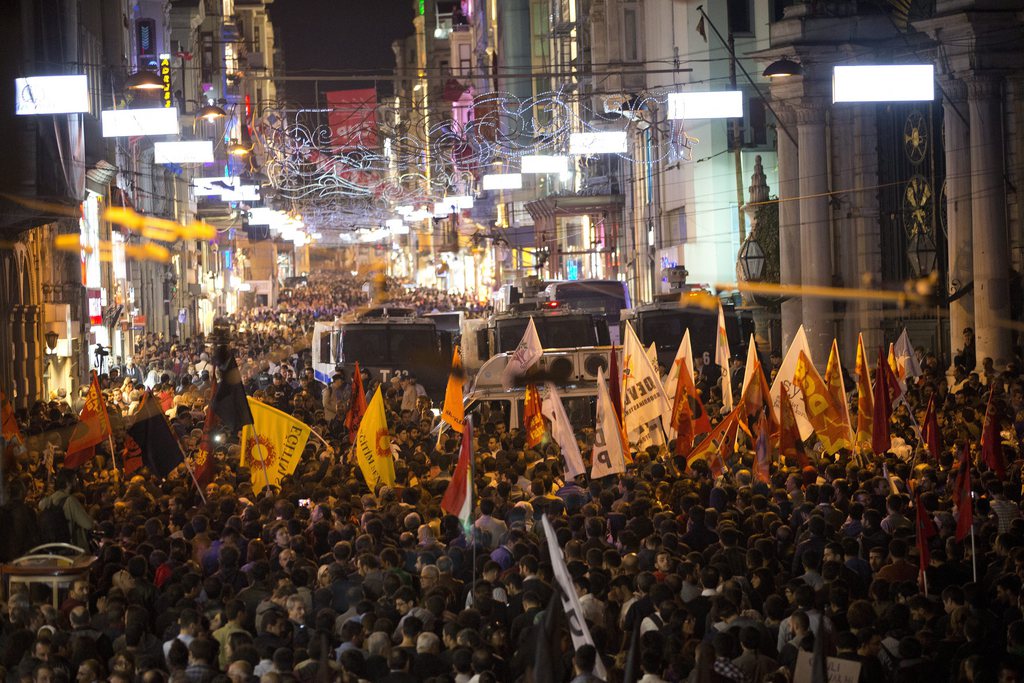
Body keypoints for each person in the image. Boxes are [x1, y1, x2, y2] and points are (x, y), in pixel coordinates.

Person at [37, 469, 94, 549]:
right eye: (75, 479)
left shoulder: (47, 501)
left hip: (52, 547)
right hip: (70, 548)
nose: (77, 482)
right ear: (68, 483)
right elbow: (88, 525)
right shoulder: (70, 501)